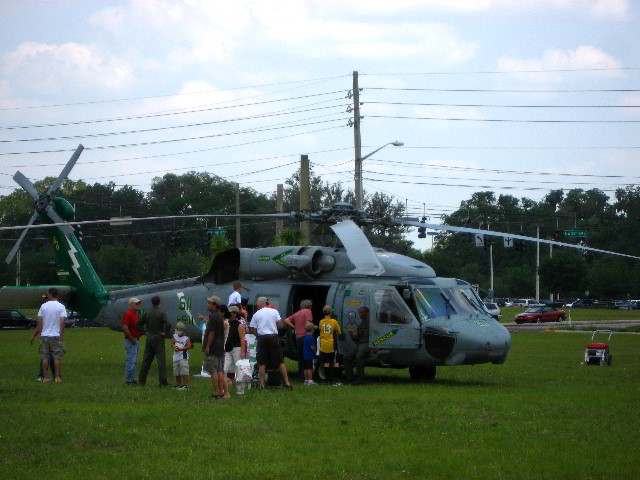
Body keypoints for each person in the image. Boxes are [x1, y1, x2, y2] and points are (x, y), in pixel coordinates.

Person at [248, 297, 293, 390]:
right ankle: (287, 383)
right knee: (280, 361)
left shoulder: (256, 314)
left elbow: (252, 329)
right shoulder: (274, 311)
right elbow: (280, 325)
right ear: (266, 303)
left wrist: (258, 334)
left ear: (259, 304)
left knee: (262, 362)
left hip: (262, 338)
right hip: (273, 337)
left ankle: (261, 384)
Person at [31, 288, 66, 383]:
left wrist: (40, 332)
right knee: (56, 357)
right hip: (55, 335)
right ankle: (57, 377)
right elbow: (62, 321)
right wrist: (61, 334)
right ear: (57, 295)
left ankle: (45, 378)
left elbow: (39, 320)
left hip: (45, 335)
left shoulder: (43, 306)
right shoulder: (61, 306)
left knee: (45, 357)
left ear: (50, 295)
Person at [137, 296, 170, 386]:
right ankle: (163, 382)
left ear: (152, 303)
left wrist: (144, 332)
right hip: (158, 337)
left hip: (150, 337)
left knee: (146, 360)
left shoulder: (147, 313)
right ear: (159, 302)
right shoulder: (162, 313)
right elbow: (168, 324)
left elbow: (138, 323)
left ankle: (141, 381)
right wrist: (165, 333)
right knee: (161, 361)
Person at [199, 295, 226, 399]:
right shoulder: (219, 315)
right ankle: (221, 391)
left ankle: (216, 391)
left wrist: (208, 346)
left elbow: (211, 332)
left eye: (209, 303)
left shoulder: (213, 316)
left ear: (214, 305)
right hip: (220, 346)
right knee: (219, 370)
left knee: (213, 370)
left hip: (213, 347)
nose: (208, 304)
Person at [283, 299, 314, 379]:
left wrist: (294, 327)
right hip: (305, 336)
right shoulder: (308, 312)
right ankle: (308, 377)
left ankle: (300, 374)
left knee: (301, 357)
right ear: (309, 306)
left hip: (298, 338)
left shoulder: (297, 313)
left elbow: (286, 320)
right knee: (307, 357)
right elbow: (308, 324)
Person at [344, 306, 371, 385]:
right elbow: (357, 338)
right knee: (346, 357)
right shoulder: (362, 323)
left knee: (359, 357)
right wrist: (352, 335)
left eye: (361, 313)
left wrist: (375, 346)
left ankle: (360, 379)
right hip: (361, 344)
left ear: (367, 312)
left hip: (368, 343)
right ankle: (350, 378)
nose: (360, 314)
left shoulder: (372, 322)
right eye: (359, 313)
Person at [224, 305, 246, 393]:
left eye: (231, 312)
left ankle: (240, 390)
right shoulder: (226, 323)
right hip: (227, 349)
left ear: (235, 314)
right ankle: (224, 388)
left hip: (237, 348)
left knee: (239, 369)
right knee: (224, 369)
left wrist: (242, 351)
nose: (228, 314)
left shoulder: (239, 325)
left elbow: (242, 339)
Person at [318, 304, 341, 386]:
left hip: (323, 345)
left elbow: (320, 330)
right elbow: (339, 332)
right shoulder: (334, 322)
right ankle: (333, 380)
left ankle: (327, 380)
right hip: (331, 345)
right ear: (331, 312)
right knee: (334, 362)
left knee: (326, 363)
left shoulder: (321, 322)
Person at [122, 297, 142, 385]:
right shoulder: (128, 314)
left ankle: (132, 379)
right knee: (131, 361)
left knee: (133, 361)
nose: (138, 305)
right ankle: (129, 380)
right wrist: (132, 339)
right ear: (131, 304)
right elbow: (125, 328)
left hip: (135, 340)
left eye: (139, 303)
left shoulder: (134, 314)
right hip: (131, 341)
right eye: (136, 303)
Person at [172, 321, 191, 390]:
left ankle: (185, 385)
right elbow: (172, 343)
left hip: (183, 357)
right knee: (176, 372)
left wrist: (181, 349)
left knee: (184, 371)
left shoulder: (186, 338)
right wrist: (174, 346)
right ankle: (178, 384)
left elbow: (189, 346)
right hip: (175, 357)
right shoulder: (175, 336)